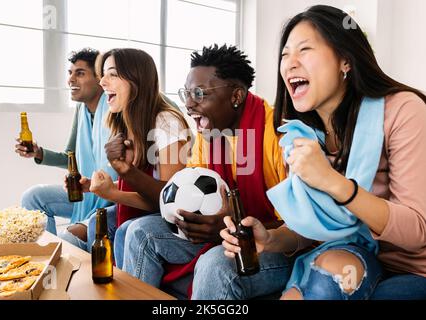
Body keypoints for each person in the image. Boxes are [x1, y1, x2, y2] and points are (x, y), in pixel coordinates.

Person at [222, 5, 426, 300]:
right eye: (284, 55)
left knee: (331, 280)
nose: (289, 64)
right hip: (354, 251)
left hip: (413, 268)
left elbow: (418, 229)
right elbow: (316, 227)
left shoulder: (403, 110)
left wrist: (332, 181)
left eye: (304, 50)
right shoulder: (300, 135)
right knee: (220, 265)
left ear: (345, 60)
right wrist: (271, 238)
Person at [121, 44, 295, 300]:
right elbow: (190, 190)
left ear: (236, 96)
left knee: (215, 265)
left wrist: (233, 227)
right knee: (140, 232)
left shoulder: (280, 135)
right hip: (226, 232)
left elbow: (297, 227)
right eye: (187, 94)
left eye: (200, 94)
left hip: (276, 245)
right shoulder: (209, 133)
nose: (189, 104)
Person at [68, 48, 191, 257]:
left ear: (137, 81)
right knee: (96, 223)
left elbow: (170, 199)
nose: (102, 82)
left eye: (112, 74)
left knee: (126, 230)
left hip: (170, 217)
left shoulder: (166, 122)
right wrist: (94, 186)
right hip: (145, 208)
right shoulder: (124, 121)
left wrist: (112, 194)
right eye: (103, 74)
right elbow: (142, 182)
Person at [16, 48, 118, 246]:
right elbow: (69, 158)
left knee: (68, 239)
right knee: (33, 197)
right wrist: (39, 153)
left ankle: (62, 256)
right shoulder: (81, 109)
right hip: (87, 192)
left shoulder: (115, 107)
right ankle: (48, 256)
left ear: (100, 79)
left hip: (111, 197)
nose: (71, 79)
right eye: (70, 73)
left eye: (80, 73)